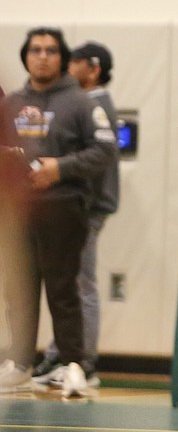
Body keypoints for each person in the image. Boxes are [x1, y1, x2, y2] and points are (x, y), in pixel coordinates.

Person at [0, 28, 118, 396]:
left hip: (64, 208)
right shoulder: (12, 103)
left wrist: (60, 168)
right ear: (25, 57)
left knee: (64, 289)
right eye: (35, 50)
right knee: (18, 289)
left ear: (62, 58)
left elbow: (105, 151)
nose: (43, 56)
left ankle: (73, 365)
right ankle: (20, 363)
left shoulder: (82, 103)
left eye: (51, 50)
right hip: (18, 211)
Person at [32, 42, 121, 389]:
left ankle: (83, 361)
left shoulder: (94, 104)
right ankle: (61, 353)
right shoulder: (83, 102)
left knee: (80, 283)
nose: (66, 68)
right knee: (68, 281)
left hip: (87, 207)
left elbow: (100, 160)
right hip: (78, 206)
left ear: (93, 68)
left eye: (75, 63)